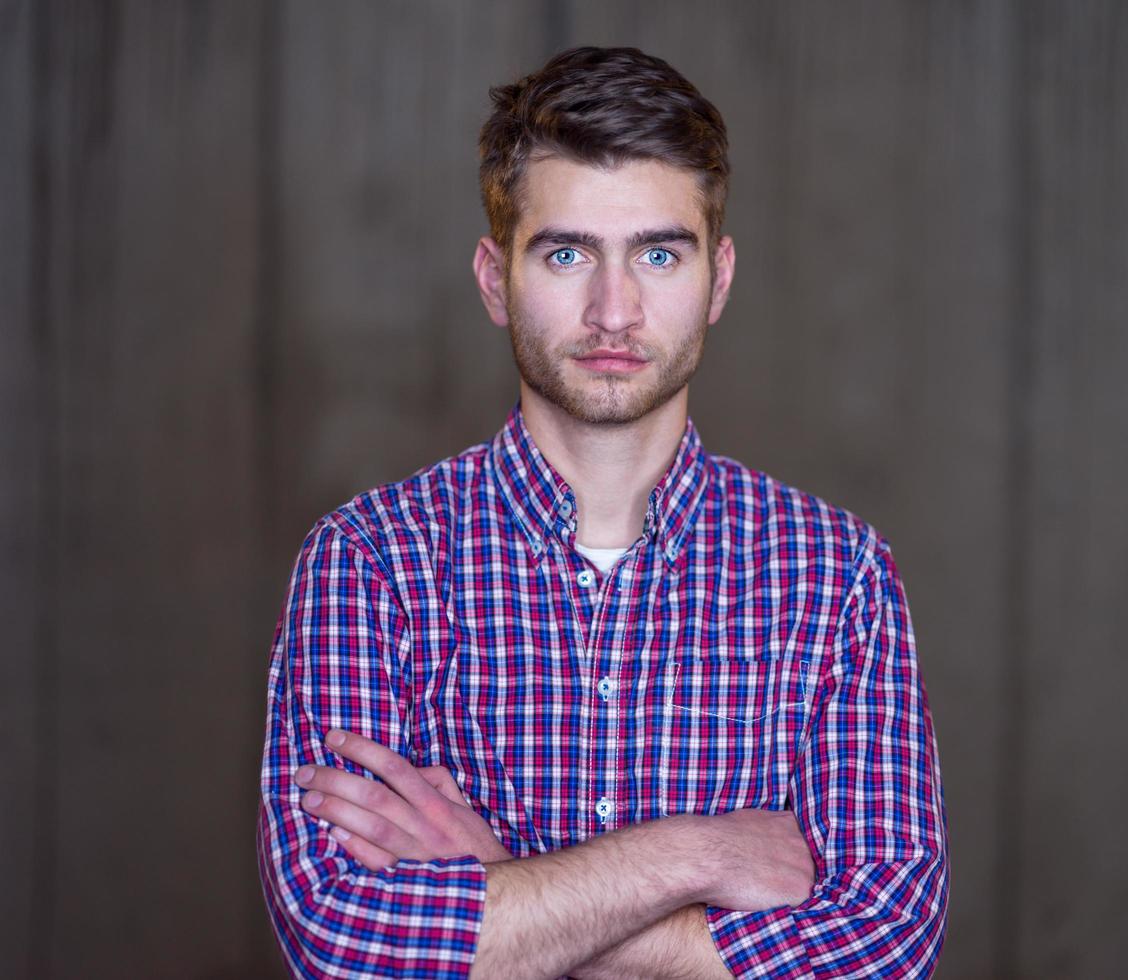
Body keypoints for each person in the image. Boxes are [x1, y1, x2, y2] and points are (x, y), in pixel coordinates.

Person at [257, 46, 948, 979]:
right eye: (568, 252)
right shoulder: (371, 560)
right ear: (495, 278)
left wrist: (499, 889)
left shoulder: (835, 575)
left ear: (721, 278)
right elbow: (345, 941)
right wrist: (694, 856)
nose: (614, 311)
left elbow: (880, 948)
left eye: (658, 253)